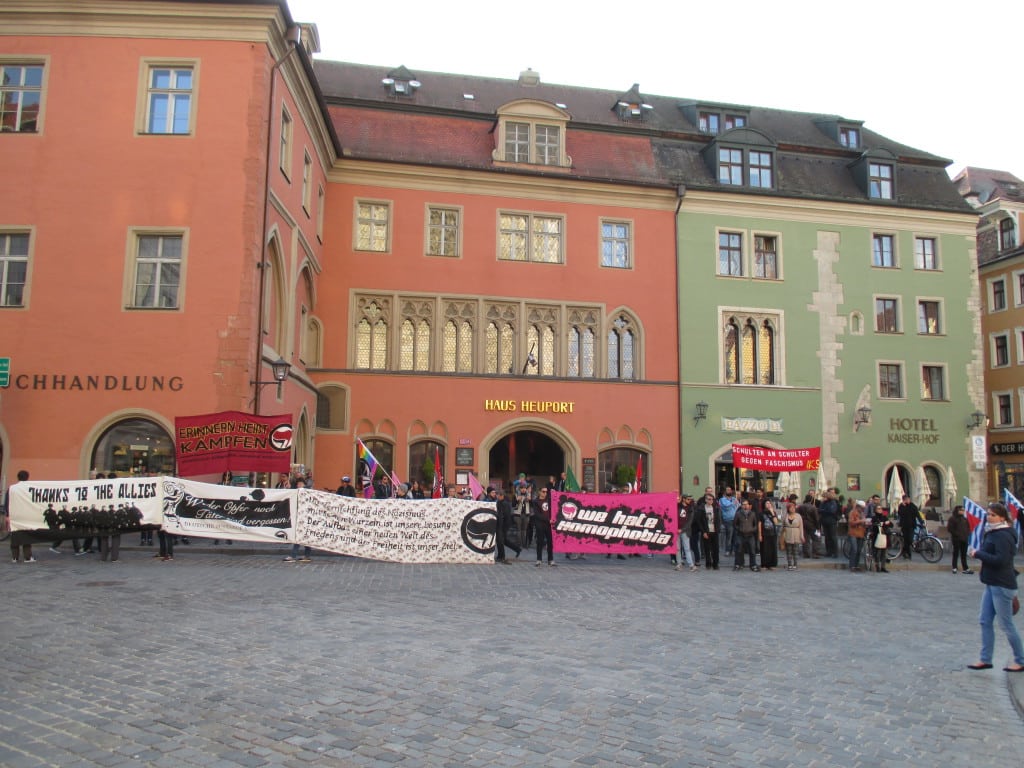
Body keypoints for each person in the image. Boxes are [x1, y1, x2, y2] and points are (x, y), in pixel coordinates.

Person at [967, 502, 1024, 672]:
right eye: (988, 514)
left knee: (1006, 624)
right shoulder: (992, 532)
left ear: (1002, 517)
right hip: (991, 583)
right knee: (984, 620)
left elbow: (1001, 560)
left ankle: (1020, 659)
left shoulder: (1004, 535)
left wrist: (978, 554)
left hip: (1002, 584)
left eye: (992, 515)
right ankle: (985, 659)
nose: (989, 517)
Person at [5, 470, 36, 563]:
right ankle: (27, 557)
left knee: (14, 536)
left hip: (14, 515)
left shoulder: (12, 488)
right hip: (26, 515)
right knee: (26, 536)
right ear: (27, 477)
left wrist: (7, 515)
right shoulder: (29, 488)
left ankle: (15, 557)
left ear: (17, 477)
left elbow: (7, 502)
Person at [733, 499, 761, 571]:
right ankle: (738, 564)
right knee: (739, 550)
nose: (745, 506)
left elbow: (755, 524)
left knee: (752, 551)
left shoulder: (753, 513)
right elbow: (735, 524)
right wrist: (739, 529)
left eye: (746, 504)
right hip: (740, 535)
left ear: (749, 505)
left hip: (750, 535)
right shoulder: (738, 513)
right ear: (741, 506)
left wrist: (753, 529)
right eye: (743, 504)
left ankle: (753, 565)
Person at [531, 487, 555, 567]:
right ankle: (539, 559)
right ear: (539, 492)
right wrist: (548, 520)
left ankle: (550, 559)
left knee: (550, 543)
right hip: (540, 524)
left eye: (546, 492)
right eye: (543, 491)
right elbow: (537, 514)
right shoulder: (536, 501)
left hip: (548, 525)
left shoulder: (549, 500)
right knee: (540, 542)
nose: (545, 493)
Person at [673, 493, 697, 571]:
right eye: (688, 499)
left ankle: (691, 565)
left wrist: (682, 529)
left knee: (687, 548)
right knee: (677, 548)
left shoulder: (691, 508)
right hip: (676, 530)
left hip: (685, 531)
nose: (690, 501)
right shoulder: (677, 506)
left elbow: (690, 521)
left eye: (690, 499)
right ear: (683, 499)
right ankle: (679, 564)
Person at [494, 488, 519, 563]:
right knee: (501, 541)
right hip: (500, 524)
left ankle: (502, 556)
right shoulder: (499, 502)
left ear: (501, 496)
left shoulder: (505, 503)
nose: (497, 496)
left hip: (503, 525)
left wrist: (503, 526)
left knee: (501, 541)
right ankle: (516, 550)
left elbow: (506, 516)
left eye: (498, 495)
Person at [947, 505, 973, 574]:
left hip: (964, 538)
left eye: (963, 510)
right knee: (956, 553)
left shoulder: (964, 519)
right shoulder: (952, 519)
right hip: (956, 539)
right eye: (961, 510)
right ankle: (954, 567)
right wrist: (957, 534)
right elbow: (950, 529)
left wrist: (967, 533)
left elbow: (968, 527)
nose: (962, 511)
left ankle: (965, 568)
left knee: (963, 554)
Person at [698, 492, 720, 570]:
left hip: (714, 531)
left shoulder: (716, 508)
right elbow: (699, 521)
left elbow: (718, 519)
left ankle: (715, 564)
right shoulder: (701, 508)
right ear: (706, 500)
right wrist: (703, 531)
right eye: (709, 499)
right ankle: (708, 563)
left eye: (712, 499)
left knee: (716, 548)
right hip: (706, 531)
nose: (711, 501)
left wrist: (718, 529)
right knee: (707, 549)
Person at [759, 498, 780, 571]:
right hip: (765, 533)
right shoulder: (761, 513)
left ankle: (772, 564)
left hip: (773, 533)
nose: (768, 505)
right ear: (764, 505)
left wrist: (772, 513)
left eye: (769, 503)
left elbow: (776, 522)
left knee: (773, 549)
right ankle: (764, 564)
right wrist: (760, 535)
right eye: (767, 503)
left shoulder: (773, 512)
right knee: (764, 549)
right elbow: (759, 524)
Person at [869, 506, 893, 573]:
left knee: (884, 552)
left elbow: (891, 524)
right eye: (878, 509)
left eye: (881, 509)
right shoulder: (874, 518)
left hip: (884, 536)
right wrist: (879, 524)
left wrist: (888, 523)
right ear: (875, 510)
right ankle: (877, 565)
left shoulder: (884, 517)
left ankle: (883, 567)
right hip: (877, 537)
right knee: (877, 552)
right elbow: (873, 525)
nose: (880, 510)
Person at [781, 501, 804, 570]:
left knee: (795, 550)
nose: (792, 509)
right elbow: (783, 525)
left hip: (796, 533)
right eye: (791, 508)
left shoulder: (798, 516)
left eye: (793, 507)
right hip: (788, 533)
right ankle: (789, 564)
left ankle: (795, 564)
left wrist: (802, 535)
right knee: (789, 550)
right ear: (788, 509)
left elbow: (801, 526)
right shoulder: (786, 516)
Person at [818, 488, 840, 558]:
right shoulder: (823, 503)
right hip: (824, 521)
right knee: (827, 538)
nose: (824, 498)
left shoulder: (833, 502)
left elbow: (832, 511)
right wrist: (825, 510)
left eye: (825, 496)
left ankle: (835, 552)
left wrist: (824, 510)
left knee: (833, 537)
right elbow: (819, 510)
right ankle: (829, 552)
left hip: (832, 521)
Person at [896, 494, 919, 560]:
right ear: (904, 500)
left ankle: (904, 551)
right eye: (906, 499)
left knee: (910, 540)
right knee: (906, 540)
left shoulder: (912, 506)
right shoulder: (901, 506)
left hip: (912, 525)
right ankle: (908, 554)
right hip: (904, 525)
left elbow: (917, 513)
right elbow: (901, 513)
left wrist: (921, 521)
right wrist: (904, 506)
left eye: (908, 499)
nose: (908, 500)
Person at [846, 500, 867, 573]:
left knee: (858, 550)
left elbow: (863, 522)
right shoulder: (852, 513)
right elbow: (851, 522)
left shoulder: (862, 513)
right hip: (853, 533)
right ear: (858, 507)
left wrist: (866, 522)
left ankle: (856, 565)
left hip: (861, 533)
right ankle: (852, 566)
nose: (863, 509)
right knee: (854, 549)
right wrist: (861, 521)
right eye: (862, 508)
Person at [718, 487, 738, 556]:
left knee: (735, 536)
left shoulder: (734, 499)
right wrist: (733, 503)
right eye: (727, 490)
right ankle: (727, 550)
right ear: (725, 491)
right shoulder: (722, 499)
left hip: (735, 519)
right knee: (729, 535)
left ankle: (733, 550)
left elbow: (738, 506)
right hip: (728, 520)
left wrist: (736, 503)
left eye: (730, 490)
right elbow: (726, 507)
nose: (729, 491)